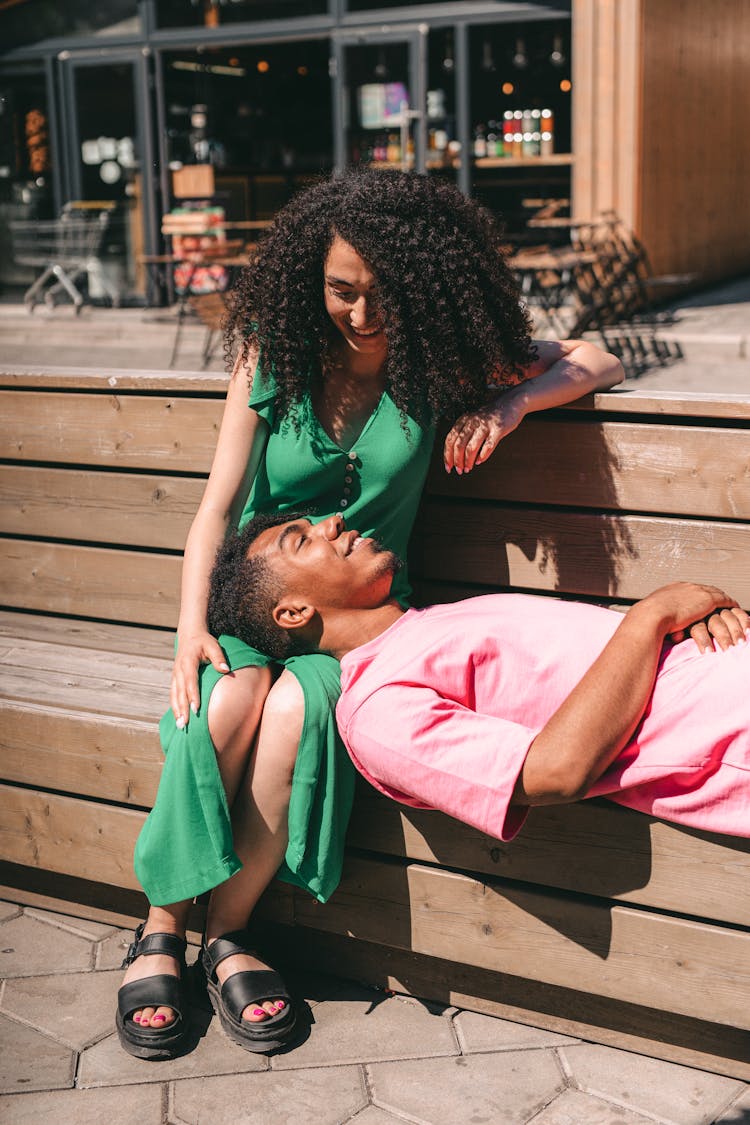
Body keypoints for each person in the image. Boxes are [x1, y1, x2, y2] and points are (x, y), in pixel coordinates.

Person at [117, 168, 623, 1061]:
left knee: (296, 708)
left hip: (362, 623)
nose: (360, 313)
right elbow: (214, 508)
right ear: (312, 279)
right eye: (342, 290)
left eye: (383, 293)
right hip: (251, 601)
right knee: (228, 694)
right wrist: (192, 626)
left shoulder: (439, 363)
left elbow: (596, 356)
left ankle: (228, 934)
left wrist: (511, 403)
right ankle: (160, 924)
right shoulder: (272, 352)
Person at [209, 511, 750, 843]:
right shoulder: (376, 710)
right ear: (294, 613)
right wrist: (650, 617)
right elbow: (555, 773)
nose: (332, 523)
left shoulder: (441, 621)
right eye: (302, 541)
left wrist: (690, 623)